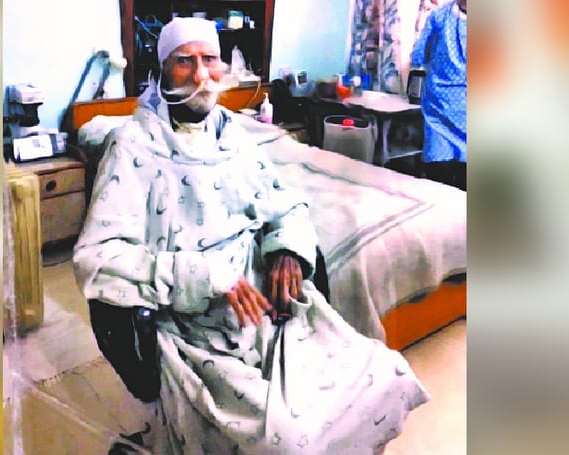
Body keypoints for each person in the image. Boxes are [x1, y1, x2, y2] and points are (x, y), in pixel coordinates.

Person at [74, 17, 429, 454]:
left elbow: (285, 205)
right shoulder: (132, 145)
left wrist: (287, 252)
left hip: (267, 305)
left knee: (385, 376)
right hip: (195, 325)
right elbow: (97, 259)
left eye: (209, 60)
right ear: (161, 71)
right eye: (184, 62)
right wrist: (206, 277)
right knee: (289, 442)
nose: (201, 75)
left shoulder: (234, 135)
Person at [412, 0, 467, 190]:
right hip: (440, 107)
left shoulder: (439, 16)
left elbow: (420, 55)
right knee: (440, 178)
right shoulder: (438, 17)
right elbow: (420, 54)